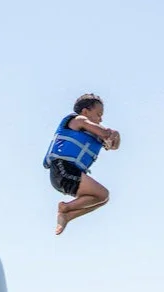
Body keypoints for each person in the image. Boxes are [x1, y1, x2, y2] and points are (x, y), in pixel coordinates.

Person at [43, 93, 120, 235]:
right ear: (85, 111)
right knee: (102, 194)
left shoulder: (93, 134)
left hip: (68, 174)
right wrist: (110, 133)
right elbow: (104, 133)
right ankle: (64, 208)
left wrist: (115, 137)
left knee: (102, 198)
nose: (101, 119)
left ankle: (68, 215)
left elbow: (114, 146)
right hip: (63, 169)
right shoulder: (78, 120)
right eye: (98, 114)